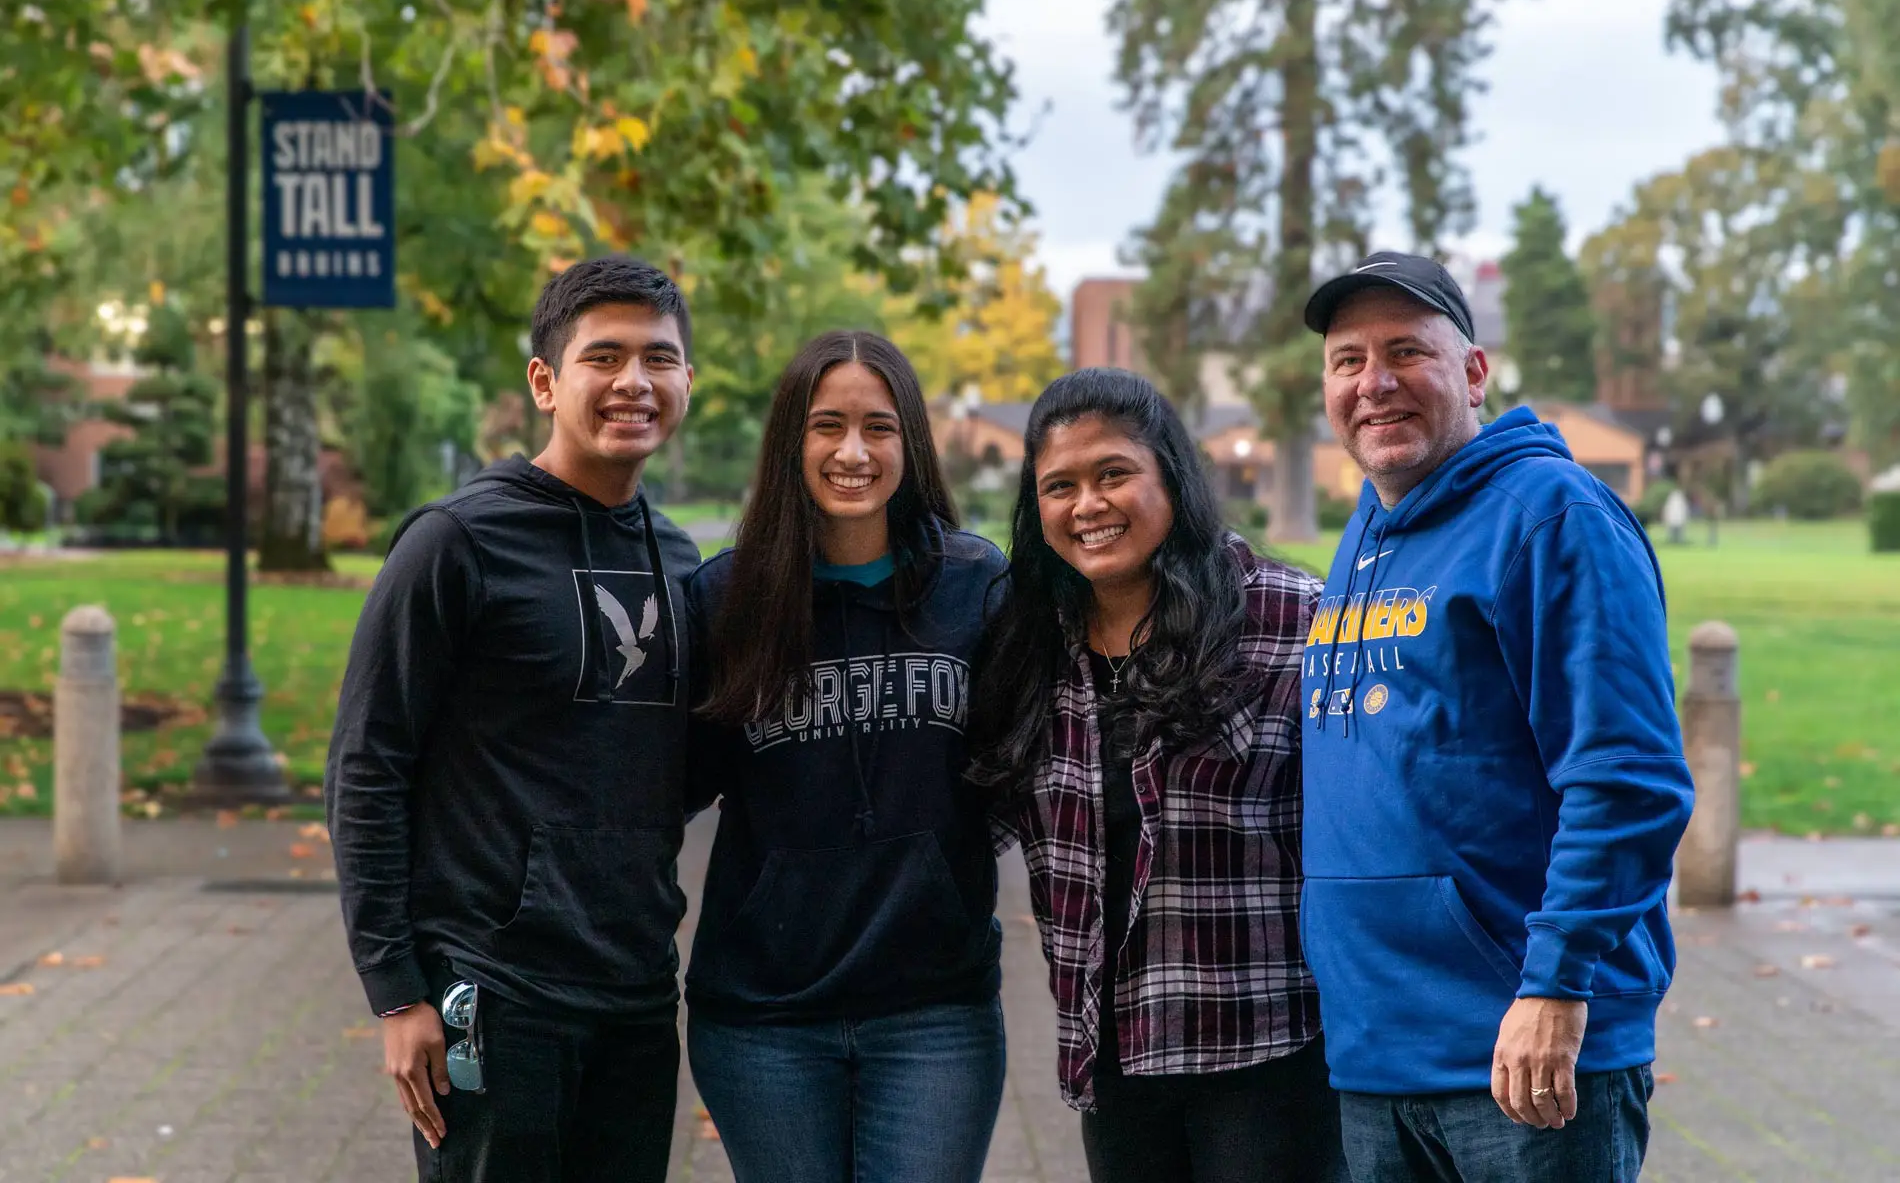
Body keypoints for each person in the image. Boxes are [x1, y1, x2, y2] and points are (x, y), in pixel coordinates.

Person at [1296, 250, 1696, 1182]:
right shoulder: (1366, 534)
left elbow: (1627, 777)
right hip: (1375, 1049)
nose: (1374, 383)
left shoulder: (1553, 518)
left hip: (1524, 1048)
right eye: (1347, 360)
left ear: (1474, 372)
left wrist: (1556, 982)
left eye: (1406, 352)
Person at [325, 256, 703, 1182]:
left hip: (638, 992)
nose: (633, 383)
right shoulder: (456, 543)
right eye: (603, 357)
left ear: (687, 379)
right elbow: (367, 764)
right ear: (545, 381)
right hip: (493, 993)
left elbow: (679, 763)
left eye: (659, 359)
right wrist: (395, 992)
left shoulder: (685, 561)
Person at [969, 367, 1347, 1183]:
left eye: (1113, 474)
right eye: (1058, 486)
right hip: (1109, 1056)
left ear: (1170, 475)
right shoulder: (1031, 644)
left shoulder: (1290, 619)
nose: (1088, 505)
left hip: (1265, 1053)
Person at [683, 330, 1009, 1183]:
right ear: (793, 441)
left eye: (880, 426)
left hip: (934, 1013)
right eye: (828, 425)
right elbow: (658, 788)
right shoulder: (726, 600)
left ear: (913, 442)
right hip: (764, 1019)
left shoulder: (977, 587)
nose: (853, 451)